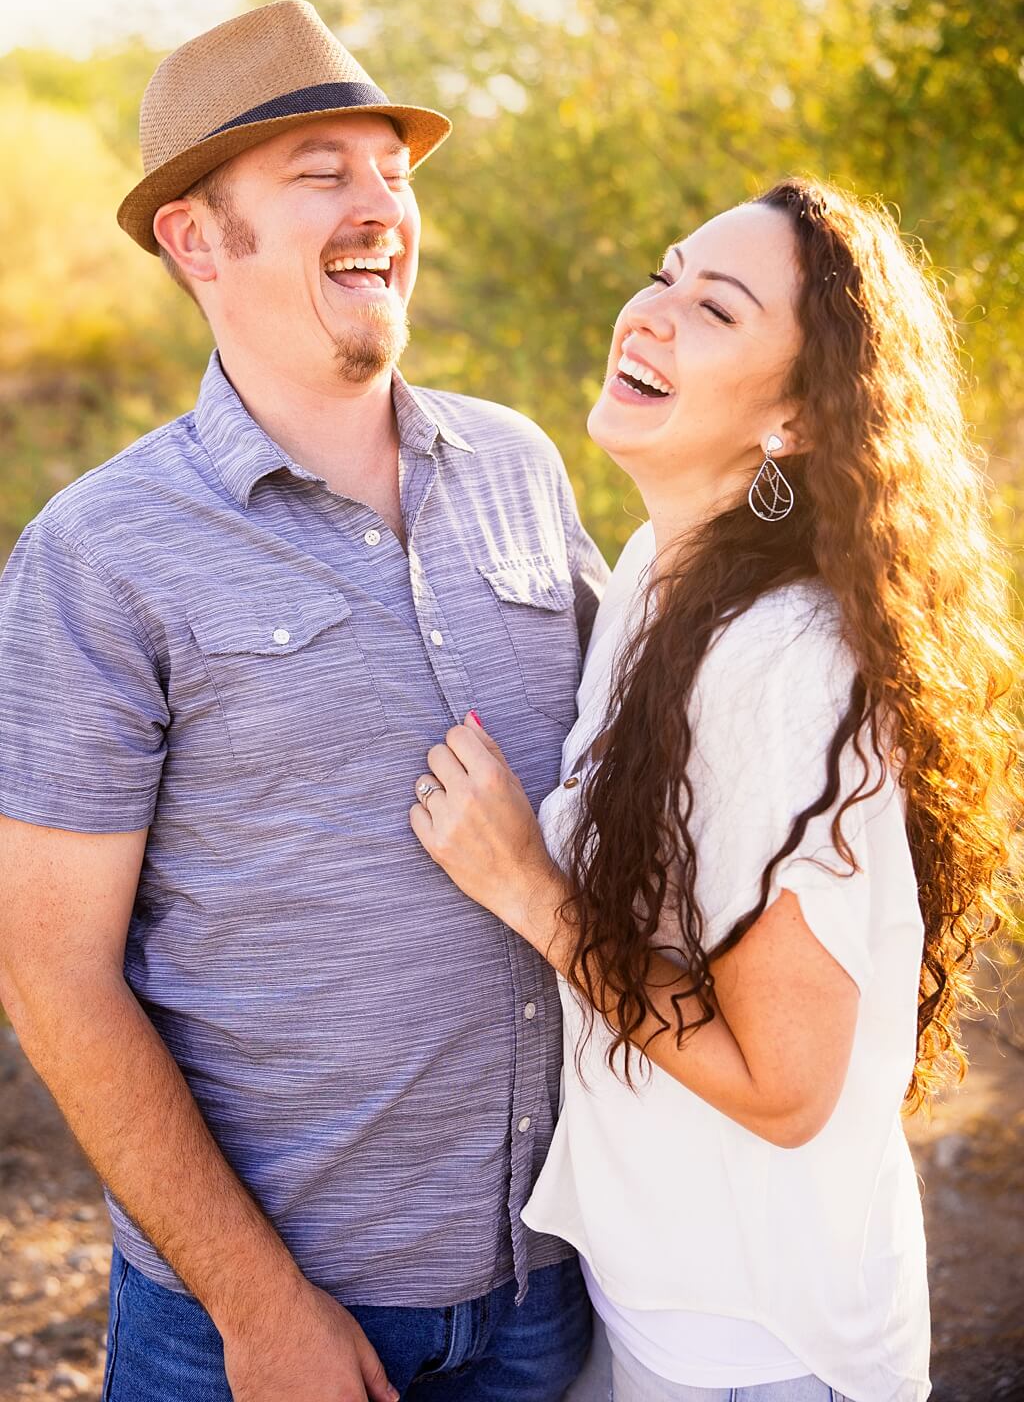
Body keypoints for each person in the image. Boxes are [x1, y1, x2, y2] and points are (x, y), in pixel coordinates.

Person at [0, 0, 608, 1402]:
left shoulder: (521, 467)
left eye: (391, 170)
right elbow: (53, 975)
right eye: (320, 173)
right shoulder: (100, 556)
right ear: (197, 240)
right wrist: (259, 1306)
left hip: (554, 1286)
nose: (380, 202)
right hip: (267, 1329)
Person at [410, 178, 1023, 1402]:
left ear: (793, 416)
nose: (652, 313)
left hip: (754, 1350)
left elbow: (783, 1087)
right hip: (654, 1300)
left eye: (716, 309)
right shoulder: (655, 566)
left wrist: (531, 892)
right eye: (664, 272)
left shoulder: (784, 661)